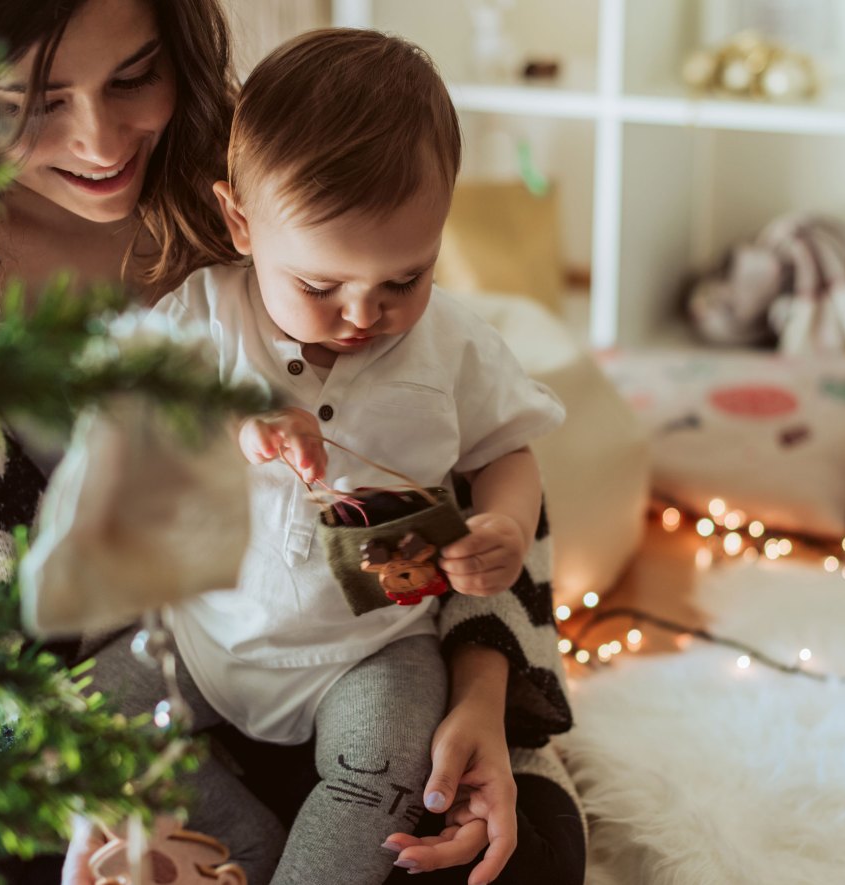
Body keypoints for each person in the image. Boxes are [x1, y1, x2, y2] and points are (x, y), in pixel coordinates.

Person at [0, 2, 587, 883]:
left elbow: (482, 478)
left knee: (498, 850)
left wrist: (482, 698)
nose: (103, 143)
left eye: (135, 76)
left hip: (376, 669)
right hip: (143, 712)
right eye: (30, 101)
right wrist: (100, 802)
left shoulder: (283, 160)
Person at [125, 27, 564, 885]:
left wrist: (505, 523)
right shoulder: (205, 319)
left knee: (395, 768)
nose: (364, 314)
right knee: (74, 732)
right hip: (204, 636)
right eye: (320, 287)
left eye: (406, 278)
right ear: (239, 223)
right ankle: (242, 850)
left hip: (372, 650)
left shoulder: (455, 349)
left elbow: (508, 449)